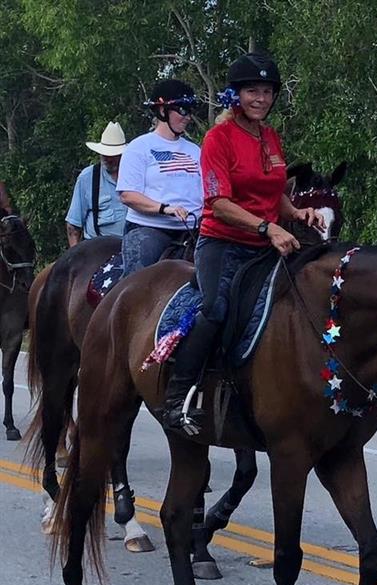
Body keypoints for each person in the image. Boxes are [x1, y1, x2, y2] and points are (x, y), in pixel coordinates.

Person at [161, 52, 324, 434]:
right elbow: (219, 202)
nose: (260, 99)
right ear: (236, 95)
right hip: (223, 243)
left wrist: (297, 213)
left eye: (267, 91)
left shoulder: (270, 137)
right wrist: (268, 228)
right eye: (252, 91)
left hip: (265, 245)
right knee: (215, 308)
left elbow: (273, 191)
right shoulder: (218, 138)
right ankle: (177, 396)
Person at [116, 79, 203, 274]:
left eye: (190, 111)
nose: (188, 117)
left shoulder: (195, 151)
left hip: (193, 230)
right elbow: (128, 195)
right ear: (163, 111)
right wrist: (165, 208)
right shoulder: (139, 147)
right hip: (150, 228)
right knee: (139, 280)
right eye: (183, 110)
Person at [65, 121, 128, 246]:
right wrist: (75, 254)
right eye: (105, 154)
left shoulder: (135, 176)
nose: (108, 159)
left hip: (133, 247)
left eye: (113, 155)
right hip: (97, 250)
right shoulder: (87, 177)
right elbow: (73, 227)